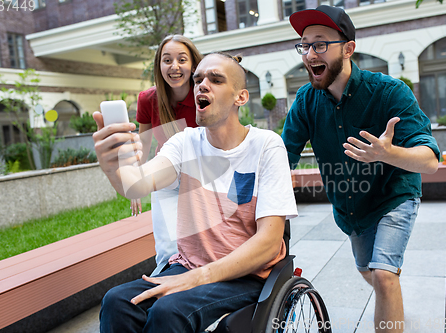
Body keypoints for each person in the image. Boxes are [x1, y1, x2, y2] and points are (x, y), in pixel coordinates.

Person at [93, 52, 298, 333]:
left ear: (241, 97)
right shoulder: (184, 142)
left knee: (168, 311)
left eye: (215, 79)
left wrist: (198, 278)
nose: (202, 85)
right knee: (117, 301)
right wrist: (112, 164)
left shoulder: (266, 146)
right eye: (198, 78)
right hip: (190, 265)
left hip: (247, 274)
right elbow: (138, 183)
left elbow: (269, 242)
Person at [283, 6, 440, 333]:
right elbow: (285, 156)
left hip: (394, 196)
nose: (310, 53)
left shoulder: (389, 92)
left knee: (383, 276)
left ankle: (389, 294)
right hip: (350, 210)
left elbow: (430, 160)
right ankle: (392, 301)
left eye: (320, 44)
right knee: (370, 272)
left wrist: (388, 153)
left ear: (349, 48)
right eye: (304, 44)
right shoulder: (305, 101)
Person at [133, 35, 203, 276]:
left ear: (193, 64)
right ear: (159, 65)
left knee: (202, 239)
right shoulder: (148, 99)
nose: (174, 66)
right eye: (167, 60)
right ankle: (165, 278)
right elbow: (143, 142)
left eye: (182, 59)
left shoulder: (204, 95)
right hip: (168, 175)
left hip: (202, 173)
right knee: (166, 246)